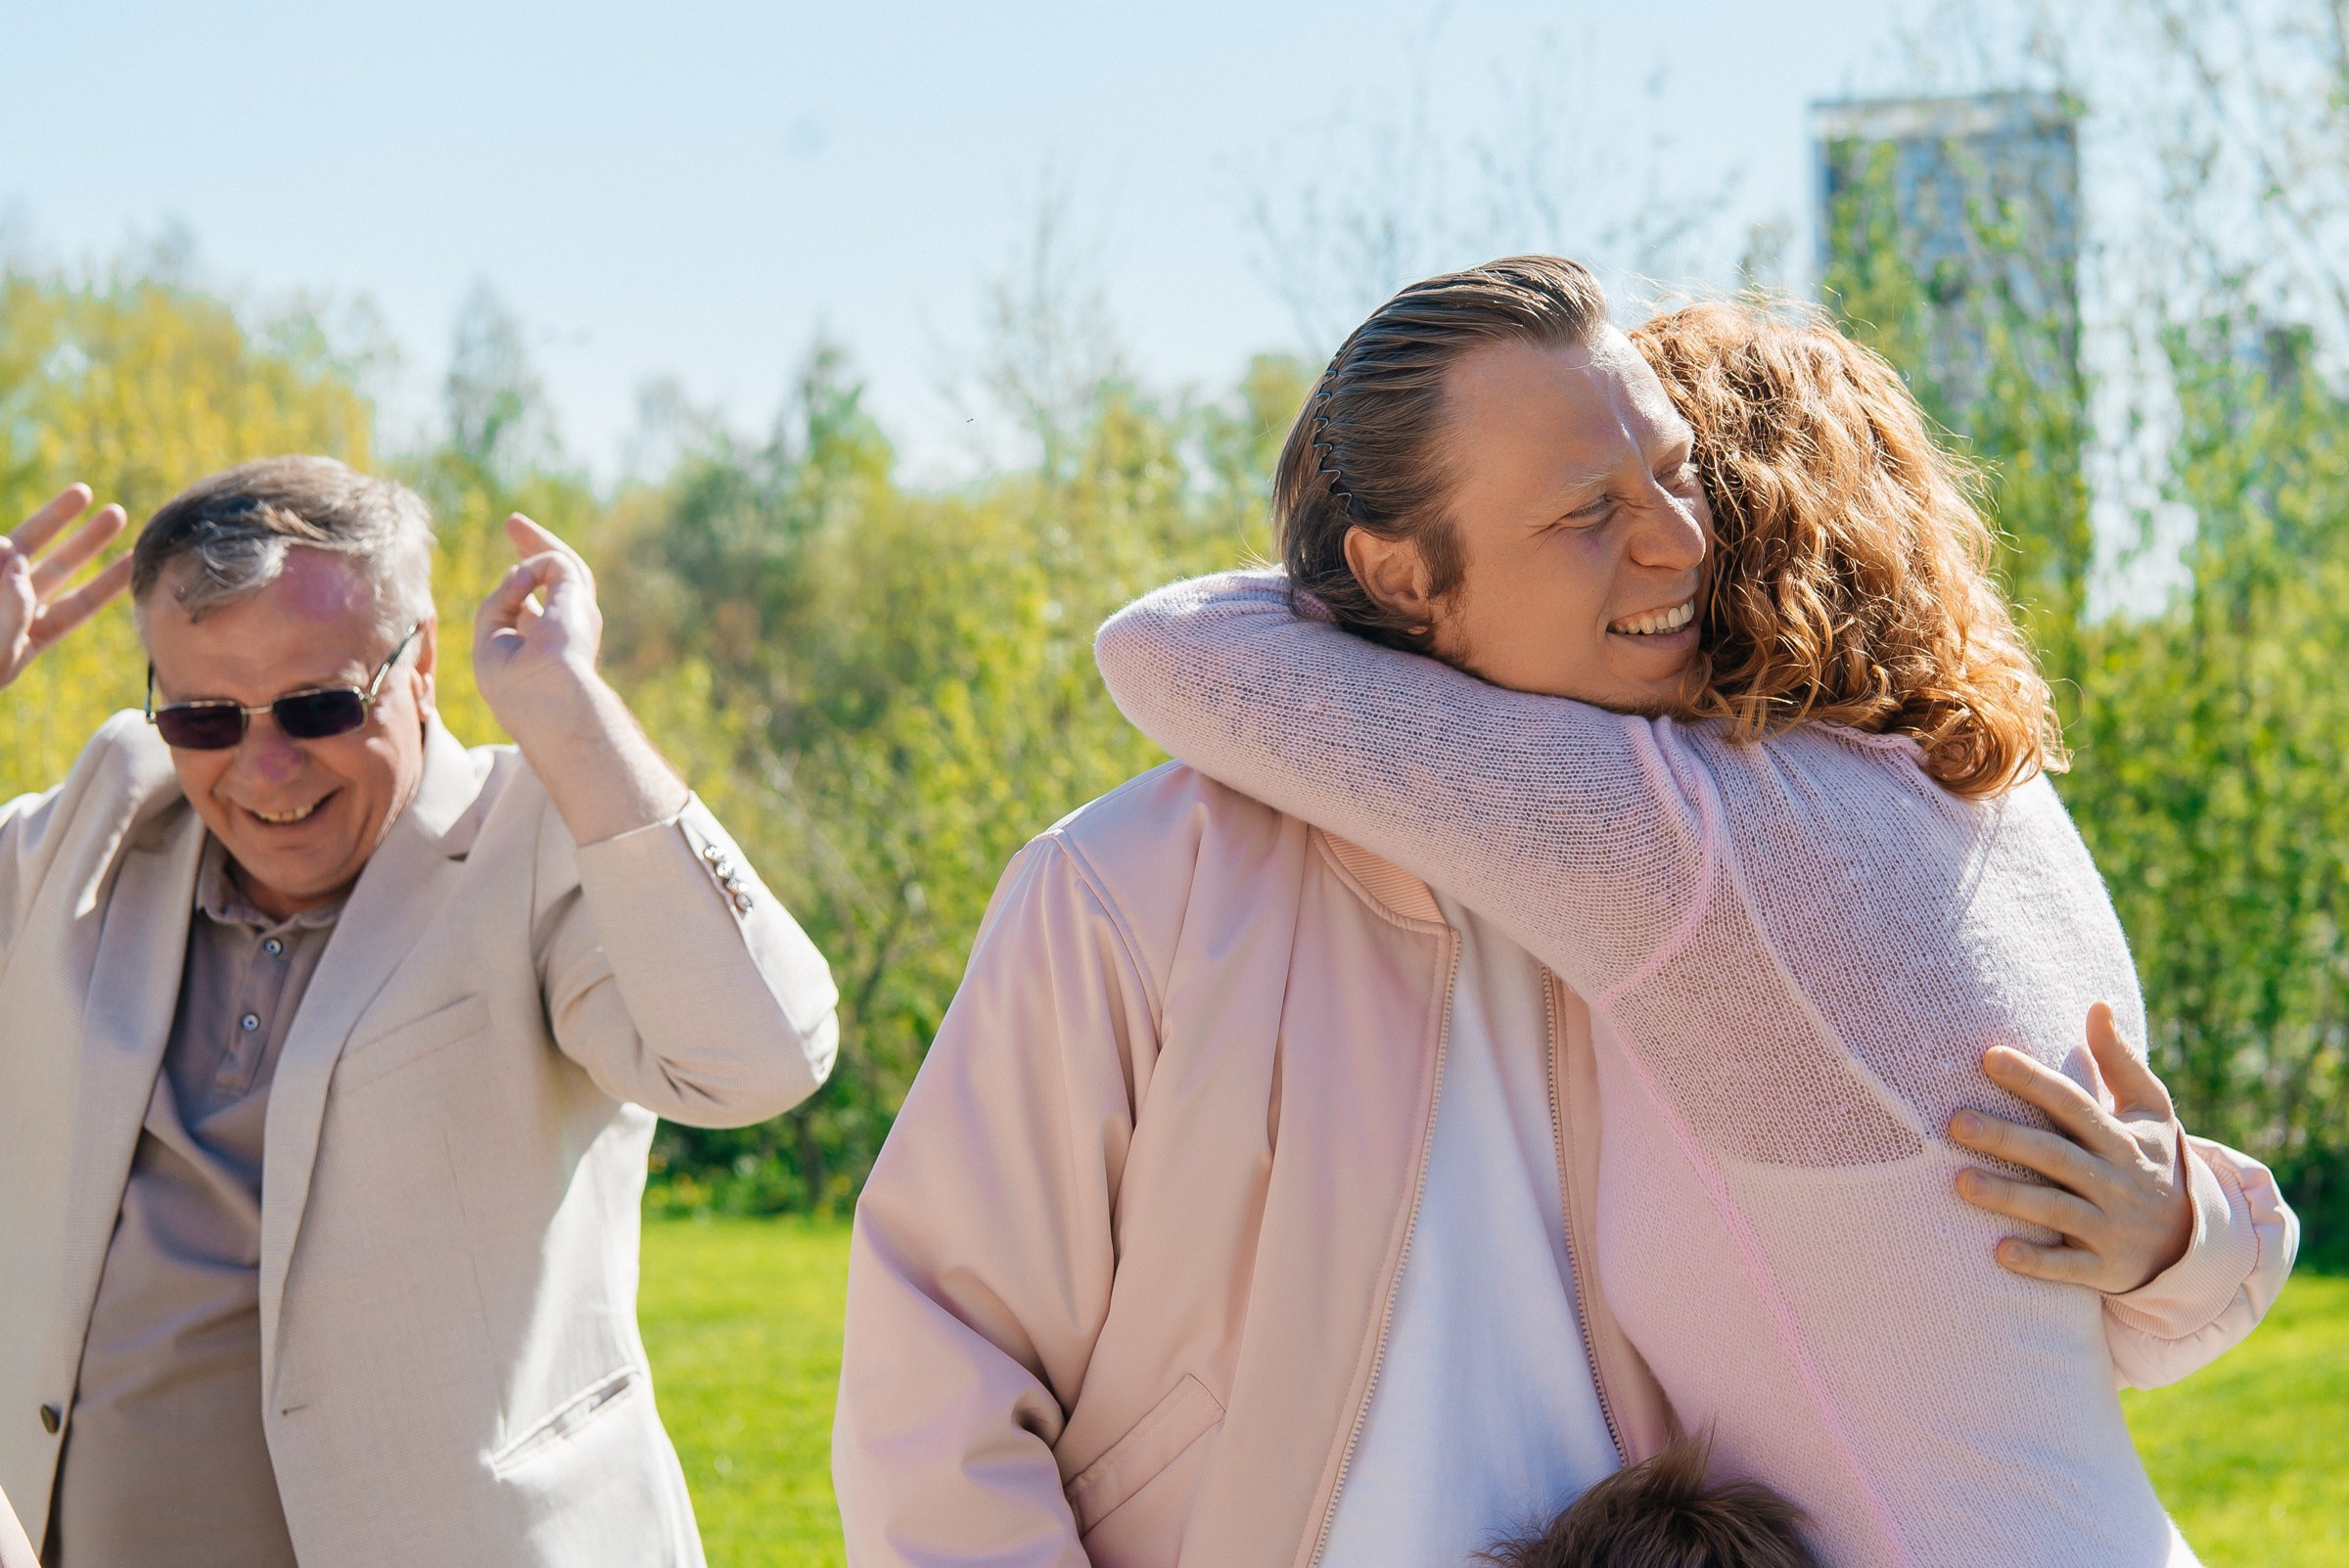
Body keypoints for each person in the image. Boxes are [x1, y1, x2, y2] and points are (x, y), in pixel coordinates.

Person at [834, 261, 2293, 1568]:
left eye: (1676, 474)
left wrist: (2182, 1225)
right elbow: (940, 1364)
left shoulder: (1728, 861)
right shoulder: (1132, 887)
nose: (1679, 544)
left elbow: (1967, 1267)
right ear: (1400, 573)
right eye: (1587, 510)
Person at [0, 458, 840, 1568]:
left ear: (424, 662)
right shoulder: (103, 820)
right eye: (204, 717)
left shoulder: (538, 838)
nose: (264, 769)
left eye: (319, 706)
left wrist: (575, 717)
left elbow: (764, 1057)